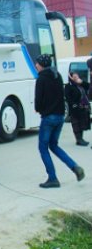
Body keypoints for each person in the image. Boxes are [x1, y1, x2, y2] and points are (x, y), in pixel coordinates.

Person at [34, 54, 85, 188]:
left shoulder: (41, 79)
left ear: (41, 65)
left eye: (37, 63)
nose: (36, 65)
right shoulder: (58, 76)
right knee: (54, 145)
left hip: (48, 117)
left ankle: (52, 178)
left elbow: (38, 100)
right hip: (60, 116)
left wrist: (39, 109)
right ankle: (75, 167)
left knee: (43, 147)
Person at [64, 72, 91, 146]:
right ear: (71, 77)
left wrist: (81, 82)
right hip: (75, 108)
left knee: (82, 123)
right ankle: (78, 139)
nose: (76, 78)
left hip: (83, 107)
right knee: (76, 123)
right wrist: (74, 105)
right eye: (74, 76)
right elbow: (68, 97)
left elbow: (88, 86)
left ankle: (81, 139)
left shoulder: (80, 84)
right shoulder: (69, 86)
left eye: (77, 76)